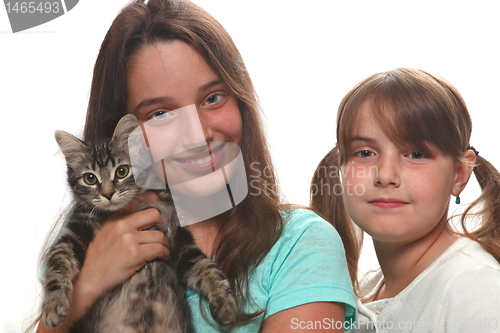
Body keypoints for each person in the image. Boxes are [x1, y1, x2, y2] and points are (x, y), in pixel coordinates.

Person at [33, 0, 356, 332]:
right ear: (126, 136)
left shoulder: (300, 244)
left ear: (241, 99)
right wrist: (84, 290)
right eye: (160, 113)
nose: (198, 135)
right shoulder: (94, 239)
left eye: (213, 98)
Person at [310, 68, 500, 332]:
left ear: (459, 175)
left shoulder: (476, 290)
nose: (386, 175)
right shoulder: (362, 292)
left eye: (416, 154)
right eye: (365, 153)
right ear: (340, 166)